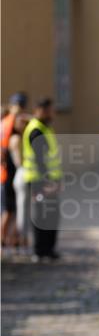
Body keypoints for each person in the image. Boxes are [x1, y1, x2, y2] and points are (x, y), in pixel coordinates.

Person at [23, 98, 62, 262]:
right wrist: (49, 182)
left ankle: (49, 249)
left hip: (49, 179)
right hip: (40, 181)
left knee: (52, 215)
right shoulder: (36, 130)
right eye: (49, 110)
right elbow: (40, 160)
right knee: (42, 216)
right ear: (40, 110)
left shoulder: (45, 128)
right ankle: (40, 250)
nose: (52, 113)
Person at [1, 92, 27, 251]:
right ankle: (6, 240)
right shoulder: (10, 123)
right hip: (8, 173)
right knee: (9, 211)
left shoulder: (5, 122)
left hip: (6, 173)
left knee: (10, 210)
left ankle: (10, 240)